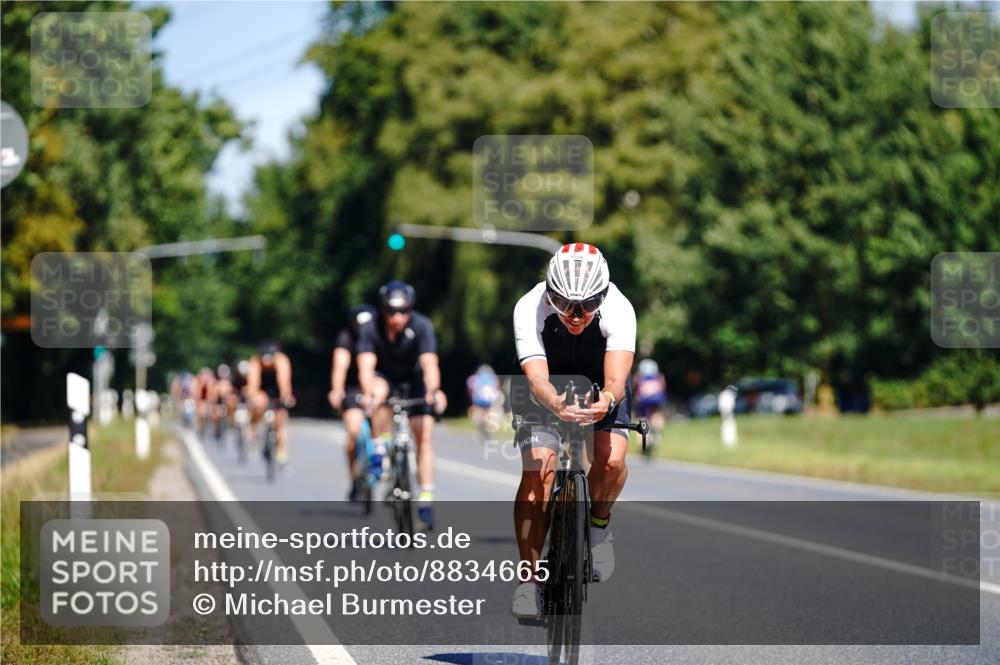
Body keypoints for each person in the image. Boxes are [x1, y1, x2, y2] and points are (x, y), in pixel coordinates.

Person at [509, 243, 636, 618]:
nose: (577, 316)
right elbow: (536, 379)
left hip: (601, 383)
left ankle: (599, 524)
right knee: (538, 473)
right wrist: (554, 403)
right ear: (550, 293)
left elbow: (616, 380)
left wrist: (607, 401)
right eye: (565, 304)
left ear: (604, 293)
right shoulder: (528, 307)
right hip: (543, 385)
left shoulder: (620, 308)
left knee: (610, 461)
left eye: (589, 304)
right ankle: (529, 580)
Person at [356, 280, 447, 529]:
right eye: (391, 312)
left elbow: (429, 364)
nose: (397, 317)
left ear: (410, 309)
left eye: (403, 311)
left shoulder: (421, 325)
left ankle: (426, 499)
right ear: (382, 310)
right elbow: (365, 367)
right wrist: (368, 394)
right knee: (377, 393)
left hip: (414, 380)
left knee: (424, 437)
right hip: (384, 378)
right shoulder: (370, 328)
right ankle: (378, 449)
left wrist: (434, 391)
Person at [328, 304, 380, 500]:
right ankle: (354, 478)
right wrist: (337, 389)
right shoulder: (346, 337)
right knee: (353, 431)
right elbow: (340, 365)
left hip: (377, 386)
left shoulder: (382, 335)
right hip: (352, 389)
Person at [247, 340, 296, 467]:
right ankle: (253, 432)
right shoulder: (255, 362)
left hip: (276, 389)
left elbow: (284, 381)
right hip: (262, 389)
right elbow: (253, 383)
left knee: (281, 419)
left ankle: (282, 453)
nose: (267, 362)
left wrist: (286, 396)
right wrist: (254, 397)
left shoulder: (282, 360)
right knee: (258, 403)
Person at [467, 364, 502, 441]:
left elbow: (470, 390)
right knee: (488, 417)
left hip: (478, 401)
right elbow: (497, 388)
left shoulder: (473, 378)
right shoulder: (493, 378)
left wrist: (472, 400)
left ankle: (483, 429)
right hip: (489, 401)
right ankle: (487, 429)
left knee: (479, 418)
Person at [634, 358, 667, 438]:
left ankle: (644, 438)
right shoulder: (659, 375)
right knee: (656, 413)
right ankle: (657, 431)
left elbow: (636, 386)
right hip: (656, 398)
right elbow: (663, 386)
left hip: (643, 399)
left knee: (642, 417)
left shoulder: (639, 375)